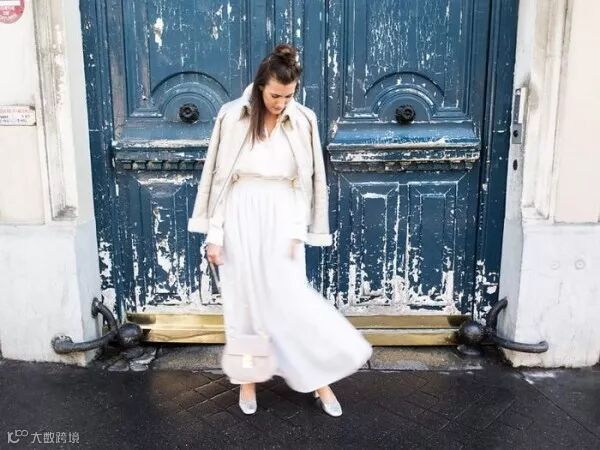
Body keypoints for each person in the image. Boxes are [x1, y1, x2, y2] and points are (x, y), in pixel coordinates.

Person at [188, 43, 372, 417]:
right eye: (275, 95)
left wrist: (297, 230)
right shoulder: (231, 117)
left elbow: (307, 181)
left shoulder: (304, 120)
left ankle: (318, 378)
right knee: (243, 304)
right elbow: (220, 180)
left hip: (282, 215)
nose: (281, 103)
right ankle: (248, 379)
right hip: (240, 213)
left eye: (288, 96)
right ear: (260, 87)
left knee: (291, 303)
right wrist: (215, 235)